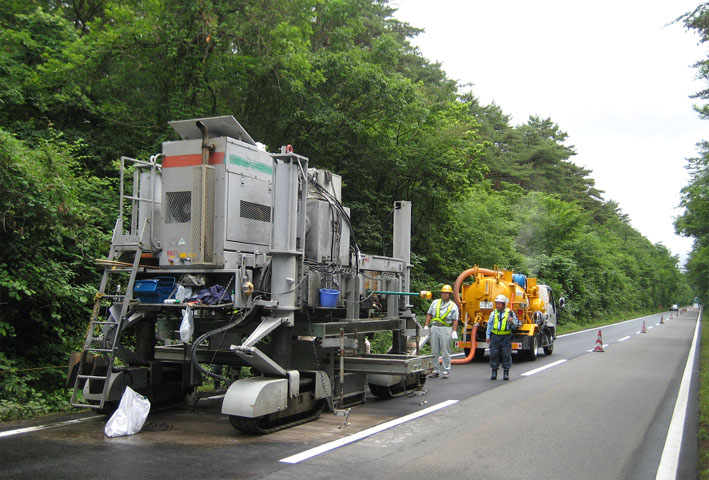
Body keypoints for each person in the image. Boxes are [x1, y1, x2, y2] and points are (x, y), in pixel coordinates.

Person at [424, 285, 459, 379]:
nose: (444, 294)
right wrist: (426, 325)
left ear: (450, 294)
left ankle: (446, 370)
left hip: (446, 328)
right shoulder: (435, 303)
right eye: (443, 293)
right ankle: (435, 370)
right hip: (435, 327)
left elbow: (455, 320)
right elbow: (429, 314)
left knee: (445, 351)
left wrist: (454, 331)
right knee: (434, 351)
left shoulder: (453, 306)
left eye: (446, 293)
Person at [486, 294, 520, 380]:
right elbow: (489, 325)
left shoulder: (510, 313)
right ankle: (494, 371)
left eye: (500, 304)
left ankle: (506, 371)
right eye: (497, 303)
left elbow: (515, 326)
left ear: (504, 304)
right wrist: (488, 336)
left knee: (506, 354)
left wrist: (511, 322)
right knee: (494, 354)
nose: (498, 305)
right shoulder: (493, 313)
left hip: (506, 337)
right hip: (495, 336)